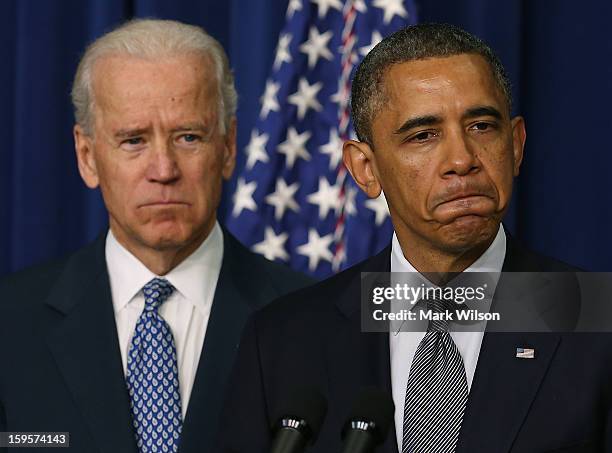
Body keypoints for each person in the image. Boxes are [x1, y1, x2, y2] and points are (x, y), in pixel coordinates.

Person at [217, 24, 612, 452]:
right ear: (365, 169)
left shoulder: (597, 323)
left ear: (515, 145)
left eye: (481, 126)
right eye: (423, 135)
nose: (461, 160)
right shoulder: (282, 340)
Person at [0, 19, 311, 453]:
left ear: (228, 147)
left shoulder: (313, 322)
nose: (163, 170)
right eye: (133, 140)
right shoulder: (10, 324)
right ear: (87, 157)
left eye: (188, 136)